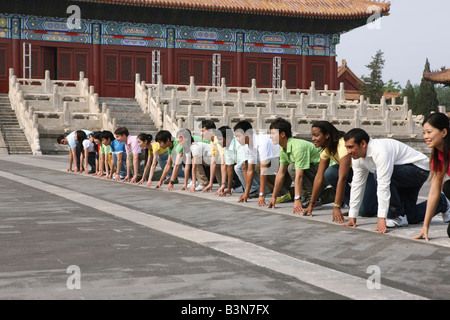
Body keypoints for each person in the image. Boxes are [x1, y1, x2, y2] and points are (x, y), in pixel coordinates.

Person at [343, 128, 447, 234]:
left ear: (363, 143)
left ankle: (396, 215)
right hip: (401, 176)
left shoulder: (380, 151)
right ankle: (442, 202)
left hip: (418, 170)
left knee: (380, 175)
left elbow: (383, 183)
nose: (348, 151)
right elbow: (357, 185)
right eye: (346, 147)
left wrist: (381, 218)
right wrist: (352, 215)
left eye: (351, 147)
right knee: (411, 217)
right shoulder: (357, 158)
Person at [303, 121, 377, 222]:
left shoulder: (343, 146)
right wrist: (311, 204)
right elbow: (319, 176)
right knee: (330, 173)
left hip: (369, 172)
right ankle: (353, 205)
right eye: (312, 135)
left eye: (316, 135)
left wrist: (336, 206)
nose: (313, 139)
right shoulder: (326, 150)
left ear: (327, 135)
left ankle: (374, 204)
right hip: (355, 172)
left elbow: (343, 177)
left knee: (365, 212)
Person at [267, 118, 334, 214]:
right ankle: (333, 195)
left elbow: (299, 175)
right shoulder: (283, 149)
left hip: (327, 172)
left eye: (273, 134)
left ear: (282, 134)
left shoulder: (298, 147)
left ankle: (313, 200)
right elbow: (280, 174)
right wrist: (274, 197)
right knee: (292, 169)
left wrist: (297, 199)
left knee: (292, 167)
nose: (270, 136)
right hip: (314, 173)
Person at [414, 112, 450, 241]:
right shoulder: (438, 156)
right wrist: (425, 226)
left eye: (429, 132)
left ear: (444, 132)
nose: (425, 137)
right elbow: (434, 192)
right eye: (424, 133)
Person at [233, 120, 287, 205]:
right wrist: (246, 193)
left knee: (259, 167)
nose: (237, 139)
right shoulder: (248, 146)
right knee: (255, 167)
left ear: (247, 134)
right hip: (275, 163)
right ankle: (282, 191)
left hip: (284, 159)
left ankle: (282, 192)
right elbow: (250, 170)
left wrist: (262, 195)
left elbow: (264, 169)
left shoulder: (262, 142)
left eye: (238, 136)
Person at [215, 125, 253, 197]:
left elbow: (244, 166)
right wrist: (229, 188)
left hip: (256, 163)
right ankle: (249, 189)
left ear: (228, 138)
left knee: (238, 168)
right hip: (249, 165)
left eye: (220, 139)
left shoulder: (239, 143)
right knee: (237, 167)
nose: (218, 142)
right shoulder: (226, 147)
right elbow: (229, 167)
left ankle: (251, 189)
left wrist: (247, 192)